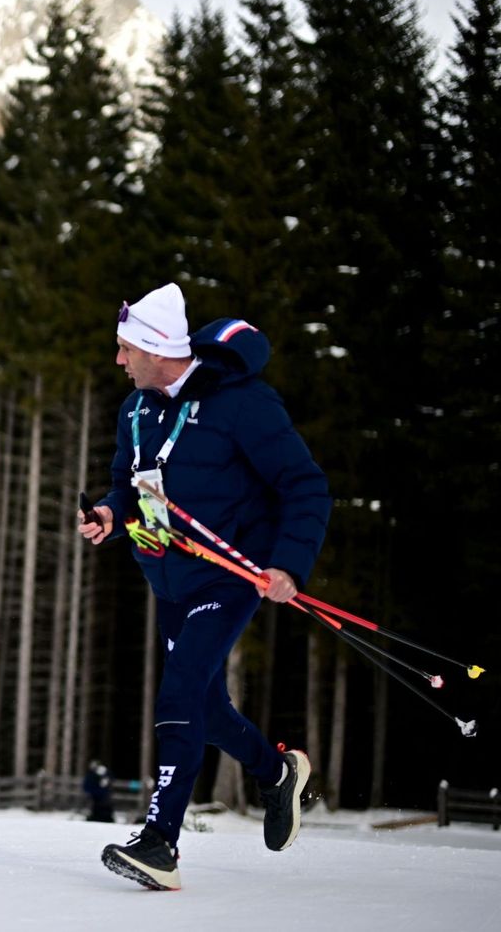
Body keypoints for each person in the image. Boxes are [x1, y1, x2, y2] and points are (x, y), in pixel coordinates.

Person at [78, 283, 330, 891]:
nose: (118, 361)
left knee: (181, 690)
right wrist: (112, 517)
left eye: (125, 350)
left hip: (232, 574)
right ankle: (276, 774)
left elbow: (305, 486)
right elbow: (128, 486)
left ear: (157, 350)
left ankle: (160, 841)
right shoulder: (135, 410)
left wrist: (289, 568)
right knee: (207, 709)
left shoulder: (243, 404)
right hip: (170, 577)